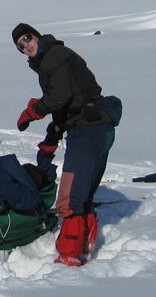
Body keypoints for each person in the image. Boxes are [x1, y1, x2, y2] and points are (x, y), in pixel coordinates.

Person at [11, 22, 121, 266]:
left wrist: (33, 111)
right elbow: (65, 104)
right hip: (95, 127)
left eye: (27, 38)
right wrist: (52, 137)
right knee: (82, 196)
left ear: (36, 36)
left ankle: (68, 258)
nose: (25, 46)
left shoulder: (54, 55)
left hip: (88, 130)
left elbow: (59, 97)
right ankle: (84, 247)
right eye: (20, 46)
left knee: (69, 200)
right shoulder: (51, 59)